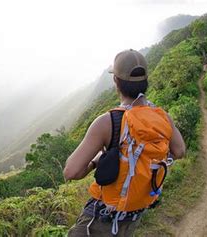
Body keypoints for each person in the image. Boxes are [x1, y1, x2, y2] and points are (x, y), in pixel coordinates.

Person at [63, 49, 186, 237]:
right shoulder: (162, 117)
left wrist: (97, 161)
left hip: (100, 217)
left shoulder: (108, 121)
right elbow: (179, 151)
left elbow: (71, 172)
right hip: (134, 214)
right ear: (145, 81)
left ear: (116, 82)